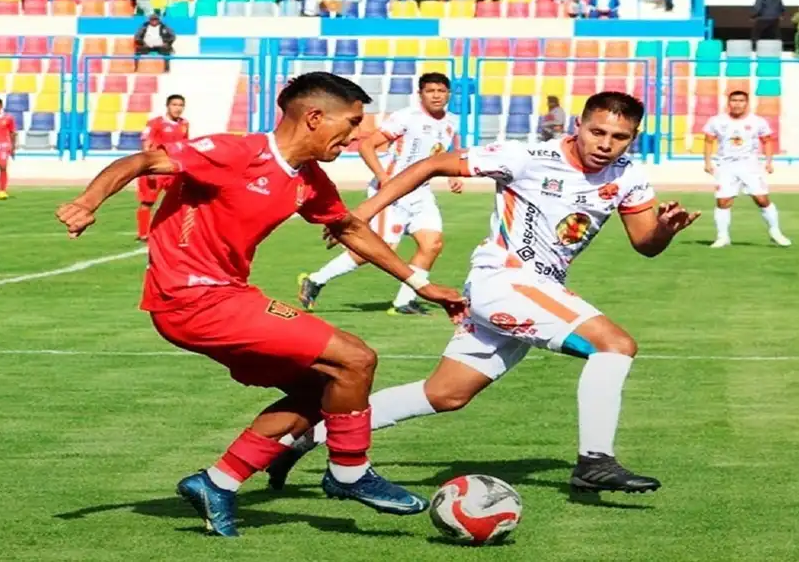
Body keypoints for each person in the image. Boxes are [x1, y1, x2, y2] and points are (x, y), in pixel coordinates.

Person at [55, 72, 468, 538]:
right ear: (314, 117)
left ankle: (217, 482)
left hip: (224, 296)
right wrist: (88, 201)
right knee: (356, 358)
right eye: (351, 124)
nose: (357, 137)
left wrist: (420, 282)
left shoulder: (309, 180)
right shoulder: (237, 153)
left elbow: (350, 228)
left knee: (324, 389)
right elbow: (143, 160)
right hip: (192, 298)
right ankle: (350, 472)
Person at [268, 92, 702, 495]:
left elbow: (646, 245)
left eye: (620, 137)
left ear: (634, 138)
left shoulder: (629, 177)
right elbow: (430, 166)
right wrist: (360, 213)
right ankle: (595, 461)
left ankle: (298, 440)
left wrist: (664, 230)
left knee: (445, 394)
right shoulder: (526, 156)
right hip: (505, 280)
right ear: (578, 125)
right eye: (598, 131)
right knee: (615, 345)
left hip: (537, 288)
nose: (607, 144)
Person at [298, 72, 462, 316]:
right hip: (392, 192)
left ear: (449, 94)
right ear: (420, 94)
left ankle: (404, 302)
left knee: (432, 244)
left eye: (441, 91)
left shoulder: (452, 121)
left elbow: (446, 149)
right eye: (430, 91)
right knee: (382, 247)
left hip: (421, 192)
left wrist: (454, 174)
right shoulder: (406, 117)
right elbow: (367, 145)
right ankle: (316, 279)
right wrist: (383, 176)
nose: (436, 95)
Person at [703, 90, 791, 248]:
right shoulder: (716, 121)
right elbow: (709, 141)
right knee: (723, 201)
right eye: (734, 100)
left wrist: (769, 161)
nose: (737, 104)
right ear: (728, 103)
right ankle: (723, 237)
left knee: (761, 199)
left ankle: (775, 231)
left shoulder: (757, 121)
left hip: (750, 165)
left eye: (741, 101)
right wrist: (708, 162)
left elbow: (767, 141)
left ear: (747, 103)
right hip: (726, 166)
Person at [136, 94, 189, 241]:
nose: (178, 108)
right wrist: (148, 168)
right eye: (174, 105)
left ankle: (173, 231)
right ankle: (143, 233)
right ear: (168, 106)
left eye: (180, 105)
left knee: (179, 202)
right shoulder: (155, 123)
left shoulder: (184, 124)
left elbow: (185, 146)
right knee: (148, 201)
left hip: (173, 170)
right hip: (156, 169)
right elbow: (146, 144)